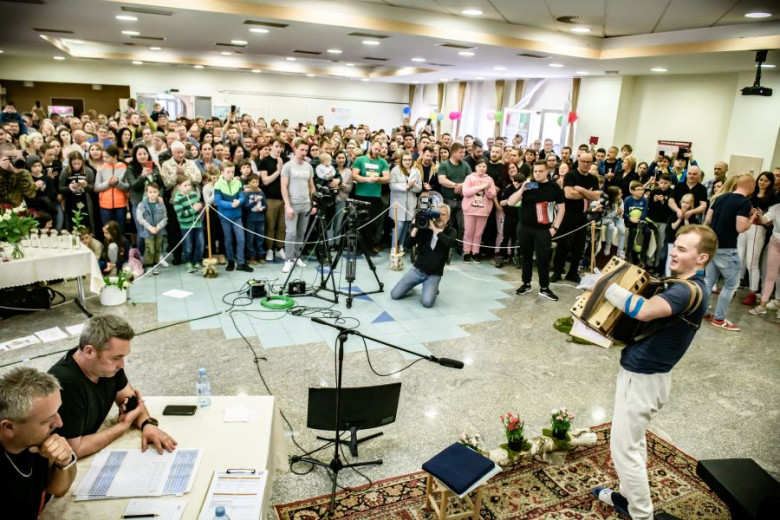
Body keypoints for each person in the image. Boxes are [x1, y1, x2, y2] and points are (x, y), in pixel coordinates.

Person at [593, 224, 717, 520]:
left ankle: (642, 514)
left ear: (702, 258)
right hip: (646, 374)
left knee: (623, 449)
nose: (674, 252)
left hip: (645, 377)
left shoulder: (687, 290)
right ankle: (627, 497)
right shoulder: (687, 286)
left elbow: (644, 310)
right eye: (675, 246)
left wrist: (605, 287)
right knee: (631, 443)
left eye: (683, 249)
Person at [48, 315, 177, 459]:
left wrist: (147, 424)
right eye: (116, 358)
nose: (122, 365)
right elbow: (74, 449)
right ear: (89, 351)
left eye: (123, 357)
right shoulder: (65, 382)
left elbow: (129, 398)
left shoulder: (104, 368)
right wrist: (121, 427)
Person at [1, 367, 78, 519]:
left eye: (57, 412)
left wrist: (64, 462)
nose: (59, 423)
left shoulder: (36, 439)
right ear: (9, 427)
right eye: (47, 420)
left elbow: (58, 490)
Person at [703, 174, 756, 331]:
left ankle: (703, 313)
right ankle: (719, 319)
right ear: (751, 186)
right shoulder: (744, 203)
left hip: (713, 245)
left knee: (708, 281)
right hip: (727, 248)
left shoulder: (720, 197)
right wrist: (751, 219)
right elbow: (740, 227)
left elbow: (708, 219)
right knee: (731, 284)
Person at [511, 160, 565, 300]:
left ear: (547, 171)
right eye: (535, 171)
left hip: (543, 229)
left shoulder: (554, 187)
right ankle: (526, 283)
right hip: (525, 227)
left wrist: (555, 227)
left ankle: (544, 287)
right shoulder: (530, 185)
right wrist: (522, 189)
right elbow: (511, 202)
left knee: (543, 258)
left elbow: (562, 208)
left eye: (541, 171)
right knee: (526, 257)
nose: (538, 174)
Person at [390, 204, 453, 307]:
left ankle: (432, 287)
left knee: (427, 303)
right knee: (394, 294)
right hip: (417, 270)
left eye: (443, 215)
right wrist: (415, 227)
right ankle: (414, 287)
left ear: (448, 217)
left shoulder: (451, 231)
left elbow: (450, 243)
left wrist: (434, 229)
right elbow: (408, 245)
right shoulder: (425, 228)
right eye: (438, 214)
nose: (440, 217)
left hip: (434, 274)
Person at [551, 153, 601, 283]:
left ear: (591, 163)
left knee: (579, 246)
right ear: (578, 161)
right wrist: (587, 193)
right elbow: (569, 194)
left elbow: (596, 197)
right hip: (567, 214)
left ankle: (572, 273)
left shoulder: (593, 179)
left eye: (588, 161)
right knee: (562, 244)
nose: (585, 163)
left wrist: (579, 189)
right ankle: (557, 272)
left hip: (583, 215)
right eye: (583, 161)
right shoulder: (570, 175)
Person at [738, 172, 774, 306]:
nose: (762, 183)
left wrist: (759, 216)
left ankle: (753, 292)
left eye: (766, 181)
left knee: (751, 261)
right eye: (761, 180)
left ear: (770, 183)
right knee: (739, 258)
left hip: (758, 229)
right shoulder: (750, 195)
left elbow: (771, 221)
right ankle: (734, 286)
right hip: (745, 227)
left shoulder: (771, 198)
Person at [281, 139, 316, 274]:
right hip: (293, 204)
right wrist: (288, 205)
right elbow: (283, 187)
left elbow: (311, 186)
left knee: (301, 233)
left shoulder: (309, 167)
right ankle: (288, 260)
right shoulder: (288, 166)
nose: (304, 152)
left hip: (305, 204)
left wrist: (314, 202)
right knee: (291, 233)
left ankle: (296, 257)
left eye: (306, 150)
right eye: (301, 149)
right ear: (295, 149)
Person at [352, 138, 390, 254]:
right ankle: (358, 247)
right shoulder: (360, 160)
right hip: (360, 195)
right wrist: (367, 179)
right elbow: (354, 176)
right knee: (359, 222)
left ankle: (368, 247)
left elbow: (387, 178)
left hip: (375, 196)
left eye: (380, 149)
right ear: (371, 147)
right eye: (376, 148)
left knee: (371, 223)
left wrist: (377, 178)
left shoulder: (382, 162)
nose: (377, 151)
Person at [214, 161, 252, 272]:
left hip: (237, 216)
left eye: (232, 172)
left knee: (241, 238)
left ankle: (240, 262)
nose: (231, 174)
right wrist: (232, 204)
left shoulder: (237, 183)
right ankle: (230, 260)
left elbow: (242, 197)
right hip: (225, 217)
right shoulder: (218, 185)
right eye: (228, 172)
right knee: (228, 239)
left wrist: (239, 201)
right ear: (222, 172)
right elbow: (218, 201)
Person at [748, 198, 780, 318]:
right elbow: (765, 220)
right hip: (775, 243)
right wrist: (760, 216)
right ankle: (762, 305)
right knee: (770, 275)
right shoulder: (776, 207)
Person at [461, 158, 497, 263]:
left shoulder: (489, 179)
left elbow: (492, 195)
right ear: (475, 167)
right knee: (468, 232)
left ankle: (475, 252)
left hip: (483, 211)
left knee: (478, 234)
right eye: (480, 166)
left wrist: (487, 189)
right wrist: (480, 186)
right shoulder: (469, 177)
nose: (482, 168)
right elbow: (466, 192)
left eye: (484, 166)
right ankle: (466, 252)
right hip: (469, 210)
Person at [437, 142, 470, 253]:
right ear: (454, 152)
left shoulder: (465, 165)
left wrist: (462, 185)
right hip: (447, 200)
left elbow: (471, 179)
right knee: (448, 225)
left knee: (463, 225)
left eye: (464, 152)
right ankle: (448, 246)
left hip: (462, 201)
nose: (463, 155)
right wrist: (456, 185)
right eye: (461, 152)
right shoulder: (444, 165)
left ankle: (460, 246)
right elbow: (441, 180)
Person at [389, 151, 422, 252]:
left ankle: (401, 245)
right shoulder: (395, 170)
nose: (407, 162)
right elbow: (392, 185)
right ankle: (393, 247)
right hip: (398, 202)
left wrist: (412, 186)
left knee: (407, 225)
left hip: (411, 203)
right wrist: (406, 186)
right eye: (405, 160)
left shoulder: (416, 171)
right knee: (399, 225)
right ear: (401, 160)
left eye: (409, 160)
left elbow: (419, 188)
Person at [94, 145, 129, 236]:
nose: (104, 159)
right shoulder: (101, 168)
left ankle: (121, 249)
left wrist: (118, 183)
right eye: (104, 156)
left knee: (120, 230)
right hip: (105, 204)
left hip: (120, 203)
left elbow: (127, 186)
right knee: (107, 231)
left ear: (115, 156)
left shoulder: (124, 167)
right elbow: (96, 187)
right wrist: (108, 184)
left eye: (107, 157)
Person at [172, 176, 204, 272]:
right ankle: (188, 261)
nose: (188, 187)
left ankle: (197, 261)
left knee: (200, 244)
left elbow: (198, 207)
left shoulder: (194, 194)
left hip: (197, 224)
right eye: (185, 185)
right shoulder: (177, 199)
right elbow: (181, 215)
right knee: (188, 246)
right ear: (179, 187)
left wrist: (199, 207)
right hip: (186, 226)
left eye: (189, 185)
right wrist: (193, 210)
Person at [136, 182, 167, 275]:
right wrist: (150, 227)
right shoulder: (142, 205)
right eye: (150, 192)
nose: (153, 194)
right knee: (150, 249)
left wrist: (158, 227)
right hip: (148, 231)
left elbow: (165, 218)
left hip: (159, 231)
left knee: (157, 248)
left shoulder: (161, 204)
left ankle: (155, 265)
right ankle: (149, 266)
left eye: (155, 192)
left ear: (158, 192)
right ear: (146, 192)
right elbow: (140, 218)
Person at [243, 173, 267, 264]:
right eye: (253, 182)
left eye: (257, 182)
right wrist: (254, 202)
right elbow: (246, 207)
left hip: (260, 219)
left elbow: (265, 205)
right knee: (250, 238)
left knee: (260, 238)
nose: (255, 184)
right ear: (249, 182)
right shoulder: (246, 194)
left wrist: (263, 208)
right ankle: (251, 256)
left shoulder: (261, 192)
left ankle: (260, 255)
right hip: (250, 219)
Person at [601, 186, 626, 258]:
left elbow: (621, 212)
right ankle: (608, 245)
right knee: (611, 227)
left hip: (617, 218)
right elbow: (607, 215)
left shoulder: (620, 201)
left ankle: (620, 250)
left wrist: (620, 213)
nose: (622, 195)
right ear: (614, 195)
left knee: (622, 230)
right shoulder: (607, 202)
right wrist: (616, 212)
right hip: (608, 218)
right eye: (619, 194)